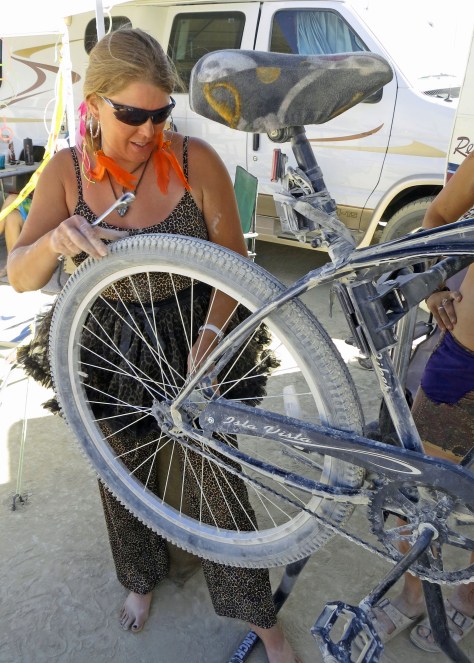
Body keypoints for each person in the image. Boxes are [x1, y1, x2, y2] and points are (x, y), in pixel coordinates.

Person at [7, 28, 299, 663]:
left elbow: (236, 265)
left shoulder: (196, 162)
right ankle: (139, 580)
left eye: (161, 113)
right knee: (118, 476)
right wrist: (54, 241)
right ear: (94, 105)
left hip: (195, 330)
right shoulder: (65, 173)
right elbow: (19, 274)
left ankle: (261, 619)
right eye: (131, 115)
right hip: (109, 342)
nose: (148, 132)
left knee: (217, 479)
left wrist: (216, 333)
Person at [368, 152, 474, 651]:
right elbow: (436, 217)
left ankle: (468, 599)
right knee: (417, 490)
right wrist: (433, 285)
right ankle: (413, 594)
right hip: (466, 366)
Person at [0, 193, 32, 277]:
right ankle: (12, 265)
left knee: (11, 199)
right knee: (12, 217)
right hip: (36, 206)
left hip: (49, 212)